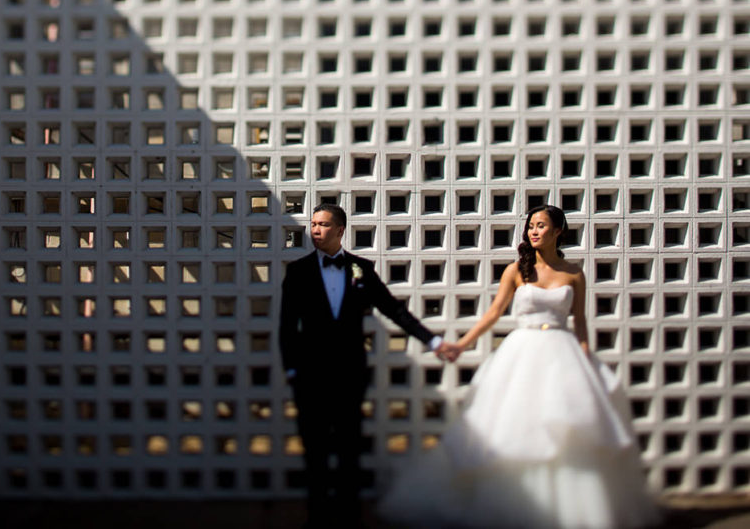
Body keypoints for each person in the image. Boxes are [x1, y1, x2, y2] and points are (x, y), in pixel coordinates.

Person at [379, 205, 661, 528]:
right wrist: (461, 343)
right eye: (531, 226)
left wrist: (586, 359)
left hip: (562, 354)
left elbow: (580, 321)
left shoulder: (574, 272)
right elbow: (494, 312)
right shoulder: (516, 270)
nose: (534, 231)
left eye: (541, 226)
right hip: (522, 353)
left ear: (558, 232)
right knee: (514, 427)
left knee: (568, 429)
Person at [279, 203, 459, 528]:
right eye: (313, 224)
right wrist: (292, 370)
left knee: (349, 448)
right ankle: (317, 518)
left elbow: (394, 310)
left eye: (322, 224)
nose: (315, 230)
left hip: (350, 374)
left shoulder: (361, 270)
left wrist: (432, 342)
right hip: (310, 376)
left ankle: (350, 517)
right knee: (315, 451)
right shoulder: (298, 272)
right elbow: (287, 327)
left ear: (340, 230)